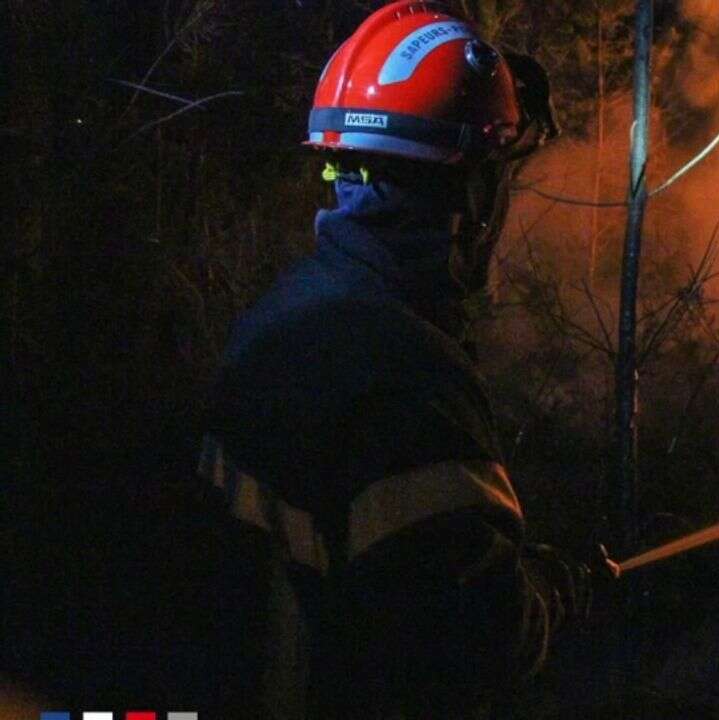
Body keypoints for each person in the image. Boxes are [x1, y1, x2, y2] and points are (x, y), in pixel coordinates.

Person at [197, 3, 608, 717]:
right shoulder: (411, 388)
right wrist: (555, 591)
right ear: (471, 192)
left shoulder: (280, 315)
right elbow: (474, 643)